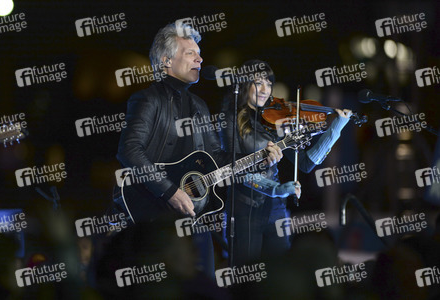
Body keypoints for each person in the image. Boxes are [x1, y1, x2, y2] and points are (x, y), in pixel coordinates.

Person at [115, 25, 283, 278]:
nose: (200, 59)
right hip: (150, 211)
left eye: (200, 53)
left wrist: (260, 160)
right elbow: (129, 149)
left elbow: (216, 158)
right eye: (190, 53)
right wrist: (170, 191)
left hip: (193, 215)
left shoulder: (198, 106)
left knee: (201, 281)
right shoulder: (148, 99)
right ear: (166, 61)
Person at [220, 59, 352, 266]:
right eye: (259, 83)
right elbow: (234, 169)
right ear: (245, 85)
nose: (266, 90)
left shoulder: (277, 120)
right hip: (244, 210)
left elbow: (307, 163)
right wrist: (275, 188)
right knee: (245, 279)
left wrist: (336, 129)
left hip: (276, 211)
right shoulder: (230, 120)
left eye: (269, 83)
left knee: (280, 275)